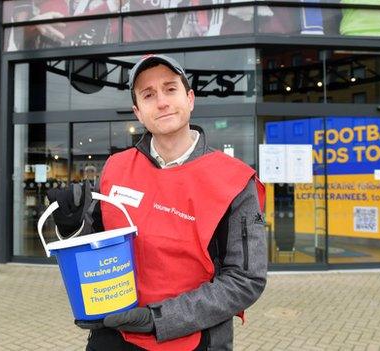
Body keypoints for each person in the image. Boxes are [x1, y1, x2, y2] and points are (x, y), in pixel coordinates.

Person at [47, 54, 267, 350]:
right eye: (148, 95)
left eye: (170, 89)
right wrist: (71, 228)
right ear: (138, 112)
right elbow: (96, 246)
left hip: (195, 340)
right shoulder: (116, 167)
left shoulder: (234, 180)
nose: (161, 102)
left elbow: (245, 280)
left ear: (190, 98)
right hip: (113, 333)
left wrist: (158, 319)